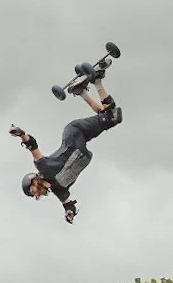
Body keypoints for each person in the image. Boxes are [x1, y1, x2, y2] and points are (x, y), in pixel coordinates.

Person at [10, 68, 122, 224]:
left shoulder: (43, 167)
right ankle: (81, 90)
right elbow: (68, 204)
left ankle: (96, 81)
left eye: (32, 191)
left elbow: (32, 145)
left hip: (75, 132)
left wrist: (21, 133)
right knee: (108, 117)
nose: (37, 195)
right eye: (34, 195)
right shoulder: (59, 190)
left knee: (112, 117)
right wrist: (69, 214)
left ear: (33, 181)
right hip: (81, 143)